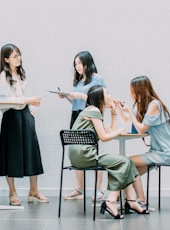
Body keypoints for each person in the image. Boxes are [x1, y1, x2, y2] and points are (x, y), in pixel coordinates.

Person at [69, 85, 149, 219]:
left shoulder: (91, 111)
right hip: (85, 155)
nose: (110, 96)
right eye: (107, 93)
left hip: (79, 155)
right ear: (99, 97)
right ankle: (111, 202)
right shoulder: (94, 110)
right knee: (124, 162)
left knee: (126, 162)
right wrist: (120, 130)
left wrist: (113, 112)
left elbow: (110, 129)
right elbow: (104, 137)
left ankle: (131, 201)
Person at [0, 44, 49, 206]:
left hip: (26, 116)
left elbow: (29, 94)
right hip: (11, 117)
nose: (18, 58)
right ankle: (12, 192)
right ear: (6, 59)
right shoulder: (3, 76)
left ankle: (34, 190)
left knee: (32, 152)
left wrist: (31, 112)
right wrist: (27, 101)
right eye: (14, 56)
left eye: (19, 55)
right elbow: (5, 100)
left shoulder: (21, 74)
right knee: (11, 154)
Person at [119, 75, 170, 208]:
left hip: (166, 152)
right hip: (157, 151)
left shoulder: (154, 105)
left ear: (139, 89)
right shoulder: (143, 105)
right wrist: (119, 110)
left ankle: (138, 200)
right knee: (128, 171)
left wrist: (129, 110)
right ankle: (138, 201)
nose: (130, 93)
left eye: (131, 89)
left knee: (127, 162)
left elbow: (140, 129)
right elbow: (128, 121)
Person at [58, 51, 106, 201]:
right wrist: (67, 96)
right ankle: (79, 188)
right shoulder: (78, 81)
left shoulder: (98, 78)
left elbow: (101, 99)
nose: (77, 66)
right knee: (76, 150)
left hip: (91, 115)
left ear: (87, 63)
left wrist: (80, 95)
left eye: (79, 63)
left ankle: (98, 190)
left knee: (92, 150)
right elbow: (76, 103)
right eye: (75, 63)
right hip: (77, 115)